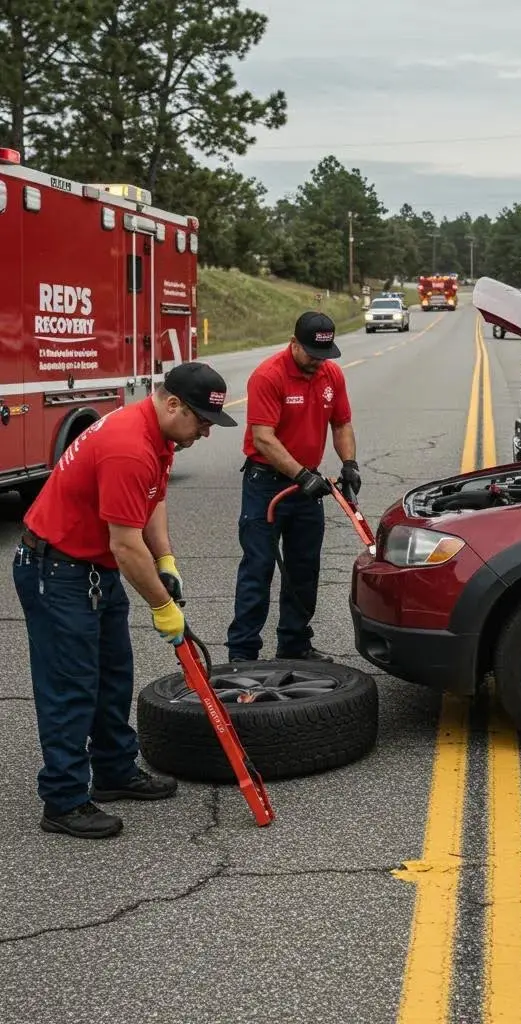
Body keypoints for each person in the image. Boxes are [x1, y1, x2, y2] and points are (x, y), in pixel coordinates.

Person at [12, 362, 238, 840]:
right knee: (71, 686)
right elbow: (125, 544)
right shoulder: (128, 446)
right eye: (202, 421)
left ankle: (114, 770)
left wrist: (166, 559)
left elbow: (152, 501)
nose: (205, 432)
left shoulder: (162, 436)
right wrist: (162, 606)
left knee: (113, 676)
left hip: (93, 571)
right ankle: (64, 800)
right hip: (56, 571)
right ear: (172, 404)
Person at [226, 311, 361, 664]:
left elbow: (341, 424)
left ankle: (295, 643)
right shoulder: (268, 376)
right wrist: (301, 475)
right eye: (312, 354)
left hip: (307, 487)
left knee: (304, 568)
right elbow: (263, 438)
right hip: (266, 486)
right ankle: (243, 653)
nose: (318, 361)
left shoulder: (331, 374)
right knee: (258, 568)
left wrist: (349, 464)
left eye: (324, 354)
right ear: (293, 344)